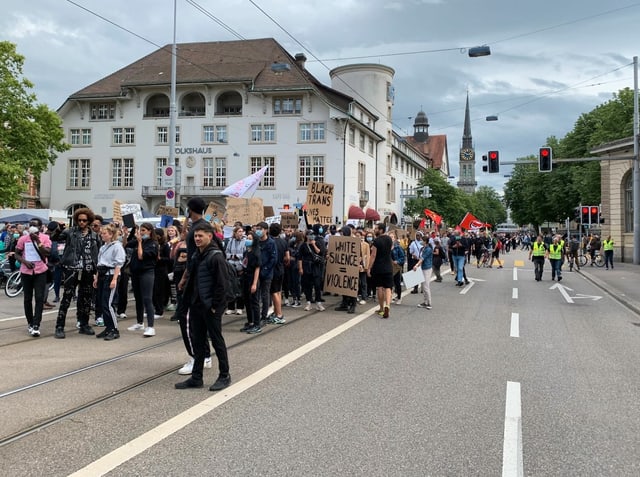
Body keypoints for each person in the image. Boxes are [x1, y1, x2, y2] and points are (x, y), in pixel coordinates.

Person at [175, 222, 231, 391]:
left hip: (210, 306)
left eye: (200, 236)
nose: (197, 239)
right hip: (196, 304)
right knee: (198, 342)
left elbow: (223, 285)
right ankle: (196, 377)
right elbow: (192, 276)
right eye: (196, 236)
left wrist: (215, 306)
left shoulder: (216, 256)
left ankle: (224, 375)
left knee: (217, 341)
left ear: (210, 236)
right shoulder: (197, 255)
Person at [52, 208, 100, 339]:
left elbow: (98, 254)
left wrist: (97, 271)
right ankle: (60, 326)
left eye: (84, 220)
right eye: (79, 220)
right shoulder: (70, 232)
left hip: (88, 270)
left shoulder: (95, 235)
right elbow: (55, 238)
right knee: (67, 297)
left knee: (86, 298)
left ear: (89, 221)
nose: (81, 223)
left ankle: (84, 324)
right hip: (71, 268)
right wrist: (58, 229)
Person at [14, 218, 51, 337]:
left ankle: (36, 324)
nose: (32, 227)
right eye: (30, 225)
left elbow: (47, 252)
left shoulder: (45, 238)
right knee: (27, 298)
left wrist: (38, 241)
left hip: (40, 271)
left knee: (39, 298)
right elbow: (16, 253)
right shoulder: (23, 239)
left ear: (40, 227)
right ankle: (30, 322)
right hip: (26, 271)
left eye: (35, 225)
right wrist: (24, 261)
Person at [93, 224, 126, 341]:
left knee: (108, 303)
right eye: (101, 233)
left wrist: (114, 279)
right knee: (102, 303)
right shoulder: (103, 247)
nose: (102, 235)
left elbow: (119, 264)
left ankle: (114, 329)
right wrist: (97, 278)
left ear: (111, 234)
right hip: (102, 275)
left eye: (104, 233)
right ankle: (108, 327)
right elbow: (100, 263)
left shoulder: (117, 246)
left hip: (110, 275)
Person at [126, 223, 158, 337]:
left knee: (147, 299)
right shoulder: (139, 242)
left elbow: (141, 256)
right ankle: (140, 323)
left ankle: (151, 326)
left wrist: (139, 242)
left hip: (147, 273)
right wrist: (126, 234)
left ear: (150, 231)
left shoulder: (153, 244)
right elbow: (126, 244)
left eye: (143, 230)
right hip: (136, 273)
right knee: (138, 298)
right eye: (141, 230)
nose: (142, 232)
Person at [367, 223, 393, 319]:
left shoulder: (376, 241)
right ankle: (388, 305)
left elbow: (373, 255)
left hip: (378, 267)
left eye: (376, 229)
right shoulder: (389, 239)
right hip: (388, 266)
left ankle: (381, 308)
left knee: (380, 288)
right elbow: (390, 250)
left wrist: (369, 267)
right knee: (388, 288)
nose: (375, 230)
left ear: (381, 230)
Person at [266, 222, 289, 324]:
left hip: (273, 270)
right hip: (281, 269)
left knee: (274, 292)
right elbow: (287, 257)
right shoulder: (283, 242)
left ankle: (279, 315)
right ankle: (277, 313)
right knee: (278, 291)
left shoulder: (269, 242)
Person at [298, 231, 326, 312]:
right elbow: (300, 258)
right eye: (310, 235)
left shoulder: (317, 243)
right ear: (306, 236)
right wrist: (300, 268)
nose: (311, 236)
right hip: (306, 266)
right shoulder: (303, 245)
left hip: (315, 267)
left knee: (317, 285)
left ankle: (318, 302)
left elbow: (320, 252)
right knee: (307, 285)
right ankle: (308, 302)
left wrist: (313, 244)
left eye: (313, 235)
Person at [240, 230, 261, 333]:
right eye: (247, 238)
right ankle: (250, 322)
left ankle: (257, 324)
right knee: (247, 301)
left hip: (252, 278)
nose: (247, 240)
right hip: (245, 277)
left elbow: (257, 268)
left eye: (250, 239)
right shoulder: (246, 252)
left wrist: (254, 283)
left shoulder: (256, 252)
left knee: (254, 302)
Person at [224, 226, 246, 315]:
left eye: (242, 231)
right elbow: (226, 252)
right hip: (231, 266)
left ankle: (240, 307)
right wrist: (231, 256)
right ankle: (231, 307)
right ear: (235, 233)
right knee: (230, 286)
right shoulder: (230, 241)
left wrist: (238, 256)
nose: (241, 233)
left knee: (239, 287)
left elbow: (245, 253)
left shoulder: (245, 241)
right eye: (239, 231)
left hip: (240, 266)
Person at [413, 234, 433, 309]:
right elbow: (420, 257)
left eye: (422, 240)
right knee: (423, 285)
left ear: (425, 242)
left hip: (427, 268)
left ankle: (429, 303)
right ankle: (425, 302)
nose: (421, 241)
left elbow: (422, 258)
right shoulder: (423, 248)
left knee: (426, 286)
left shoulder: (428, 249)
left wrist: (416, 265)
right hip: (423, 268)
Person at [390, 231, 405, 305]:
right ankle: (391, 296)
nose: (391, 238)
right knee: (390, 282)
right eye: (389, 237)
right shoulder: (386, 246)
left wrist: (397, 261)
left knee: (397, 283)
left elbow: (402, 257)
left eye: (392, 237)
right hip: (388, 267)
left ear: (395, 238)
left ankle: (399, 297)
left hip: (396, 267)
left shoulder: (398, 247)